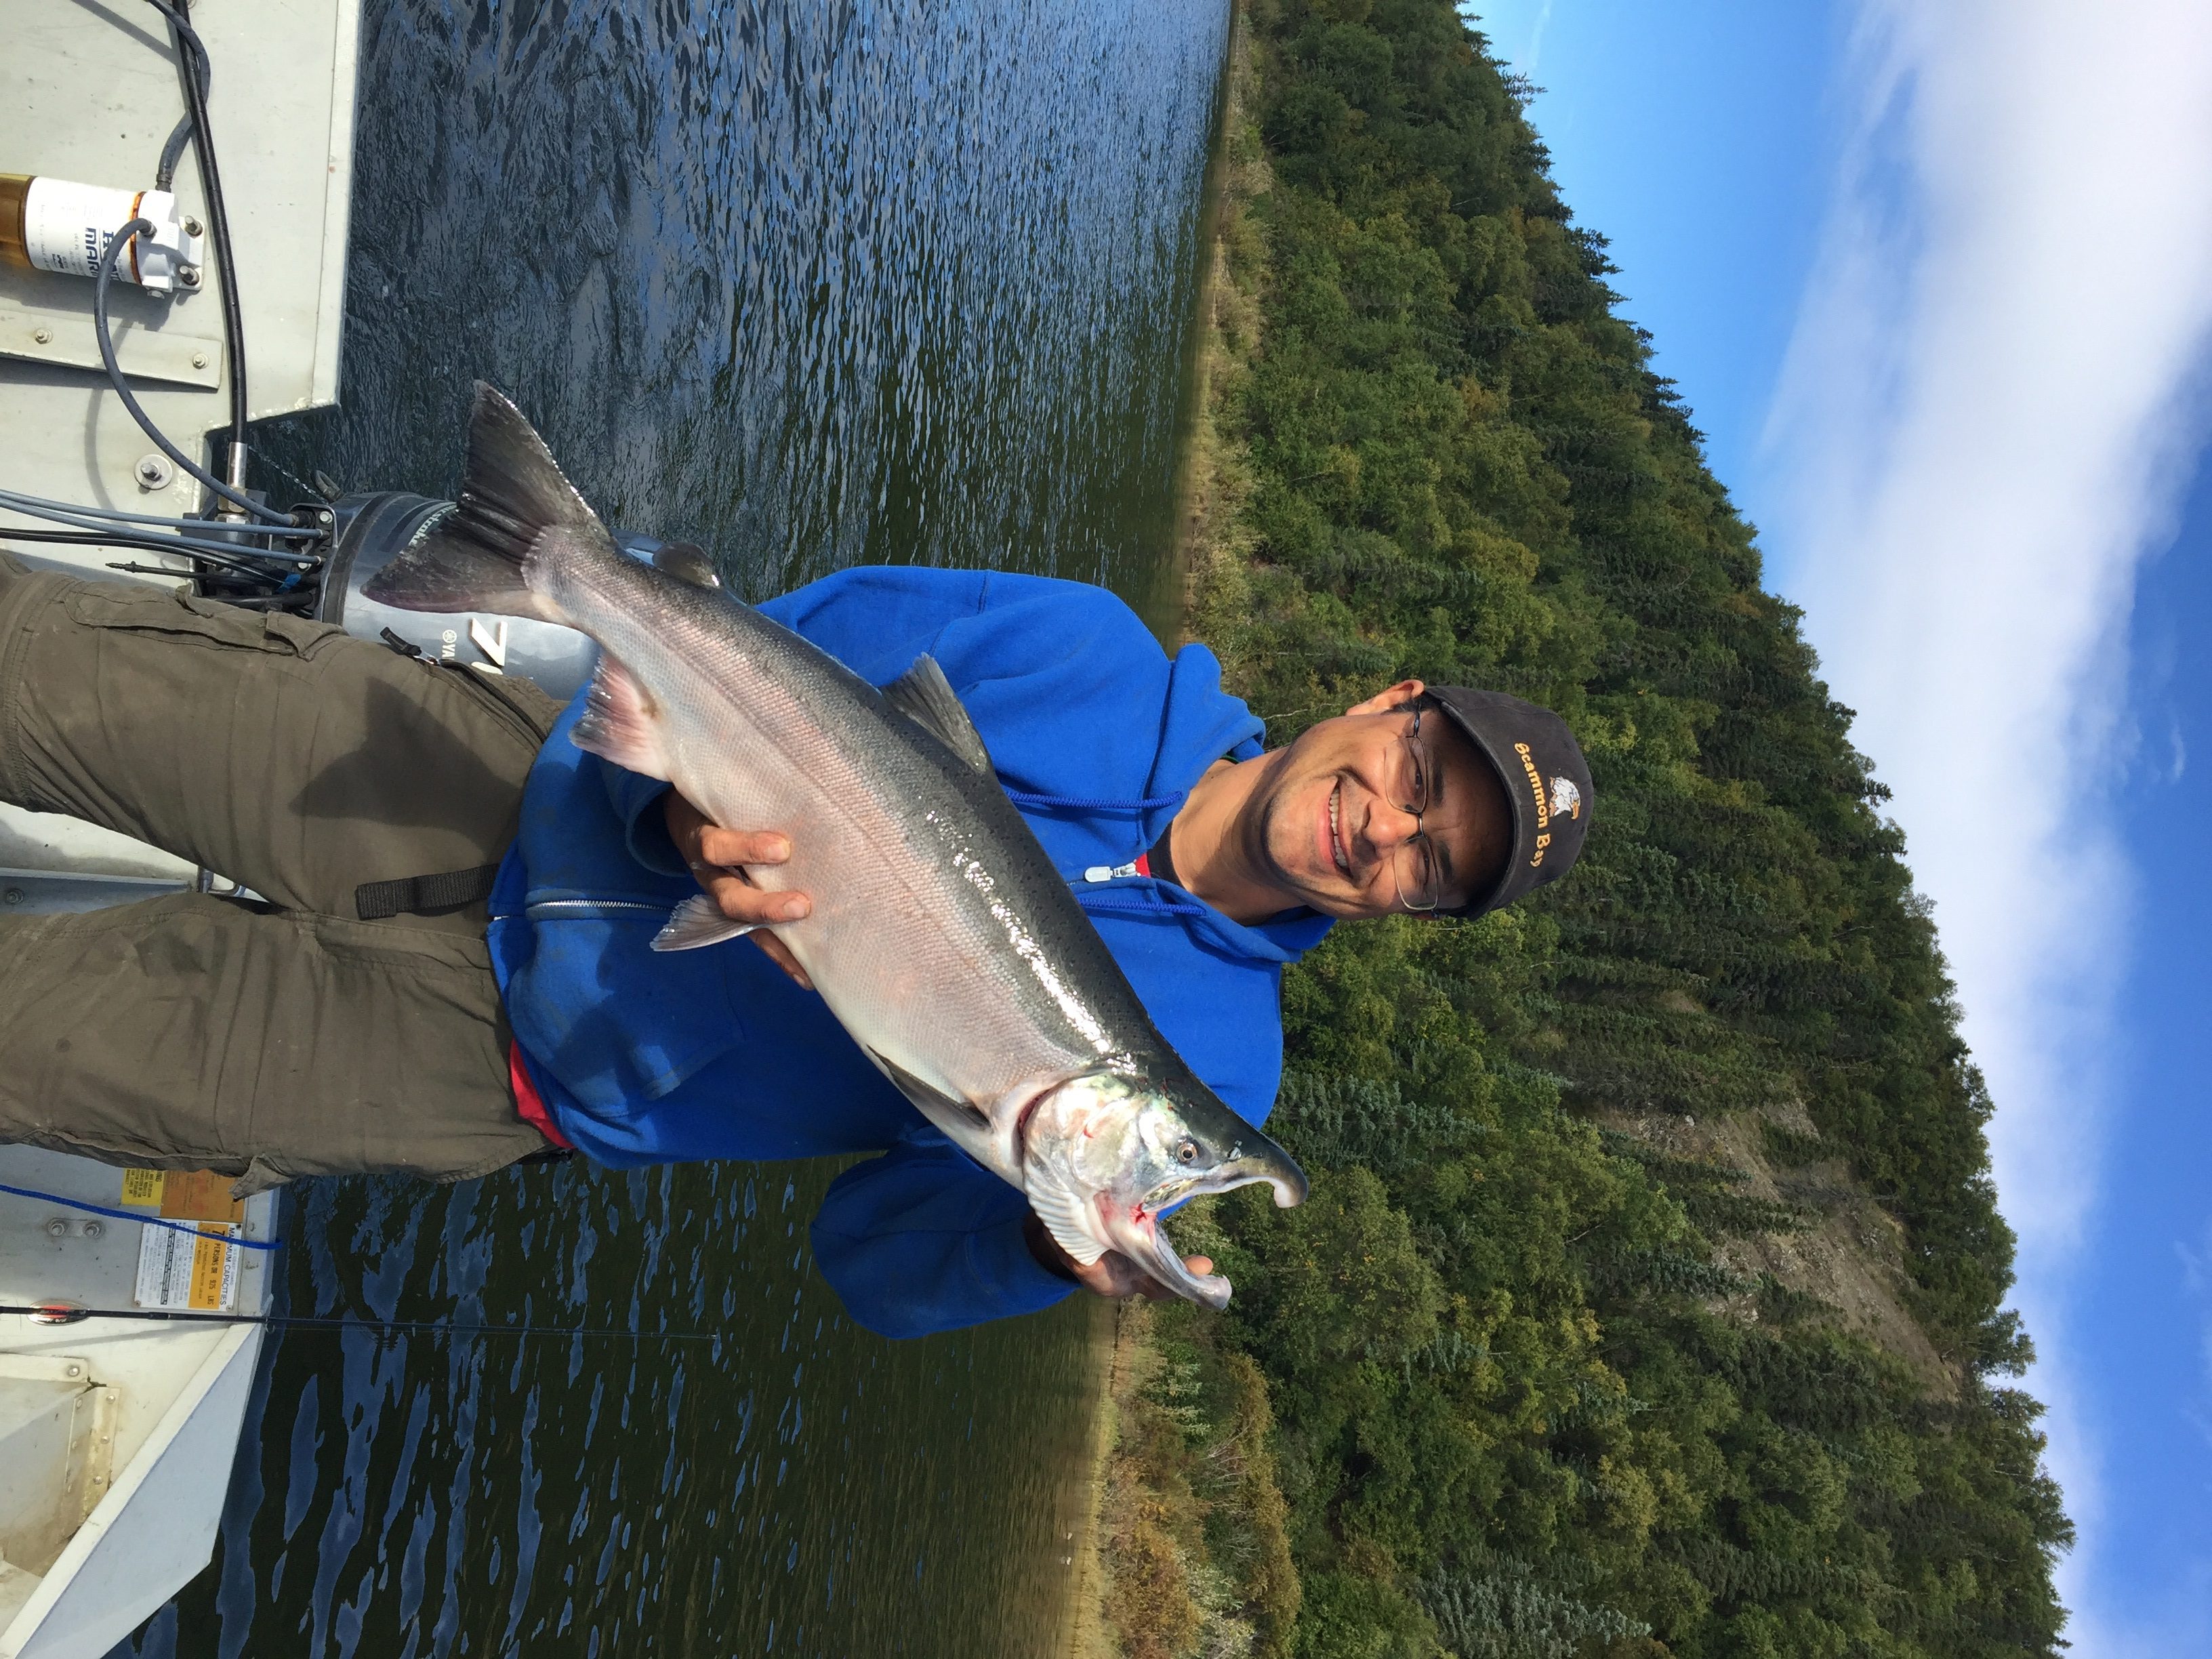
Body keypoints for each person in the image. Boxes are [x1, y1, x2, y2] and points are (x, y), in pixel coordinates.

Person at [0, 554, 1591, 1336]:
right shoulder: (1088, 652)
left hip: (493, 1069)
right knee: (37, 670)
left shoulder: (1221, 1071)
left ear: (1414, 917)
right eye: (1420, 777)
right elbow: (796, 637)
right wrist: (681, 811)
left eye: (1430, 867)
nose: (1386, 830)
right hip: (489, 765)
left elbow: (874, 1266)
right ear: (1390, 704)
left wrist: (1043, 1248)